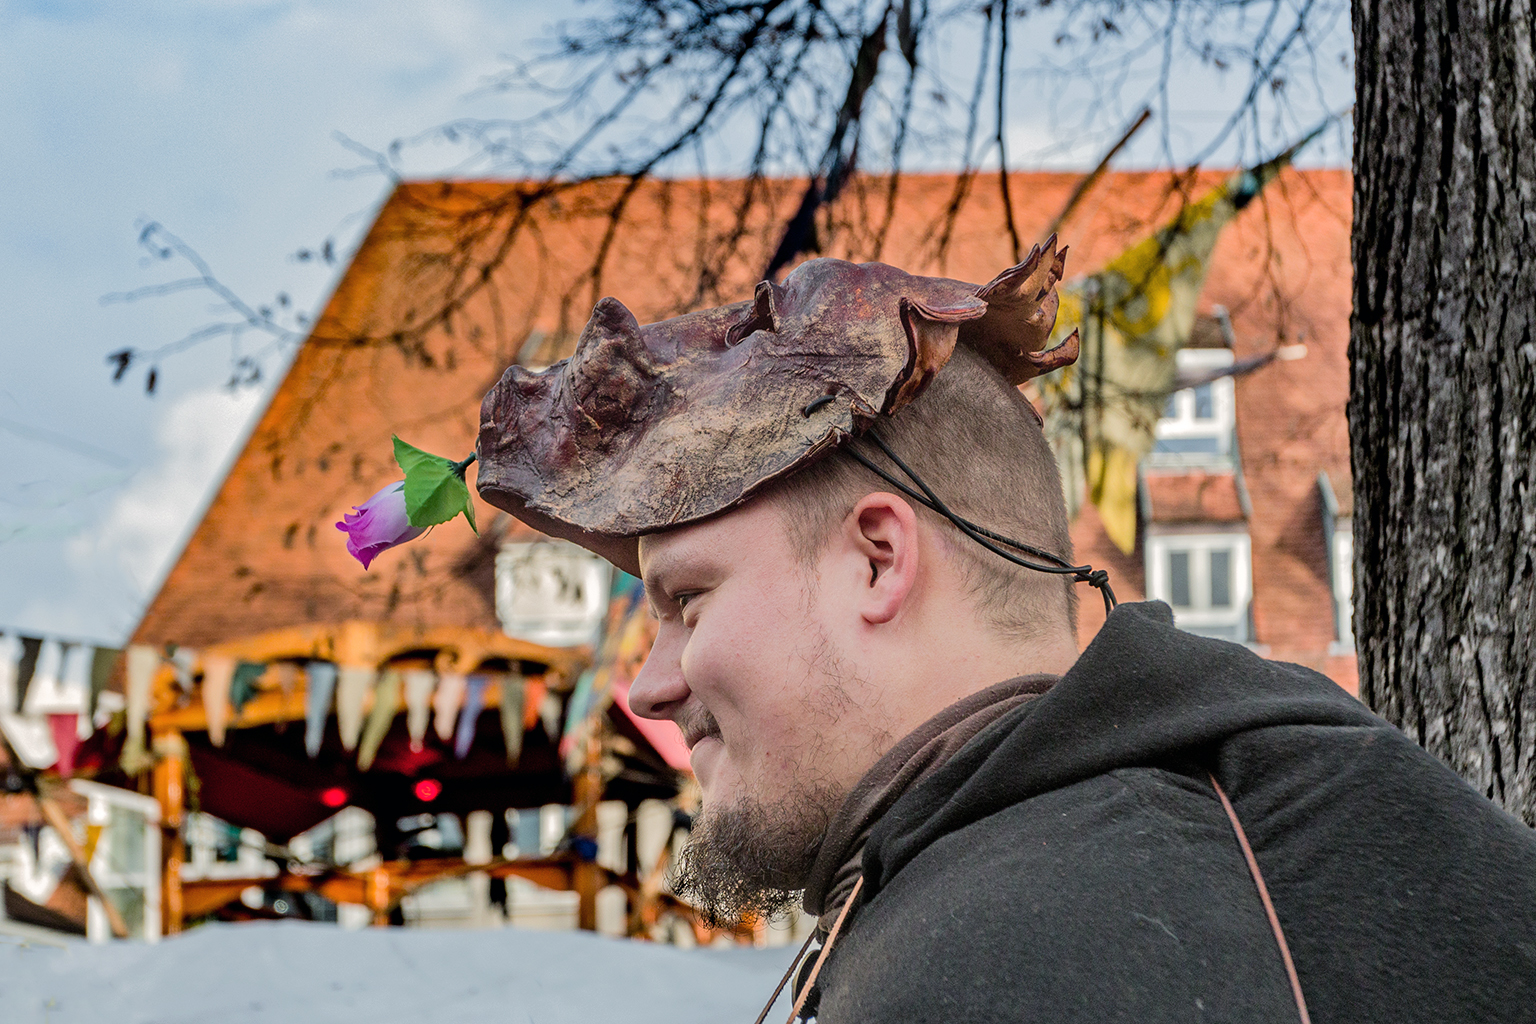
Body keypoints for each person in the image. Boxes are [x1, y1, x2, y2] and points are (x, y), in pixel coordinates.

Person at [473, 243, 1536, 1023]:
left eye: (686, 601)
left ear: (878, 560)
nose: (651, 684)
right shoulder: (1300, 810)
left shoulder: (1010, 954)